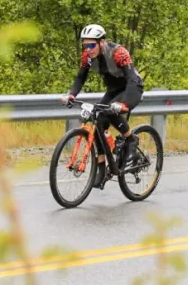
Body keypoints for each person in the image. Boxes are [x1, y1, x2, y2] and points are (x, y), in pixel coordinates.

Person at [60, 24, 144, 189]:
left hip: (131, 87)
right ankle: (101, 169)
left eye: (91, 45)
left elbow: (132, 79)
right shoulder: (87, 57)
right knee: (98, 121)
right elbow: (80, 78)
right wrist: (72, 95)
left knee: (110, 112)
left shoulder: (118, 53)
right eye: (85, 45)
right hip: (113, 90)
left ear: (102, 42)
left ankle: (130, 138)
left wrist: (124, 104)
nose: (88, 49)